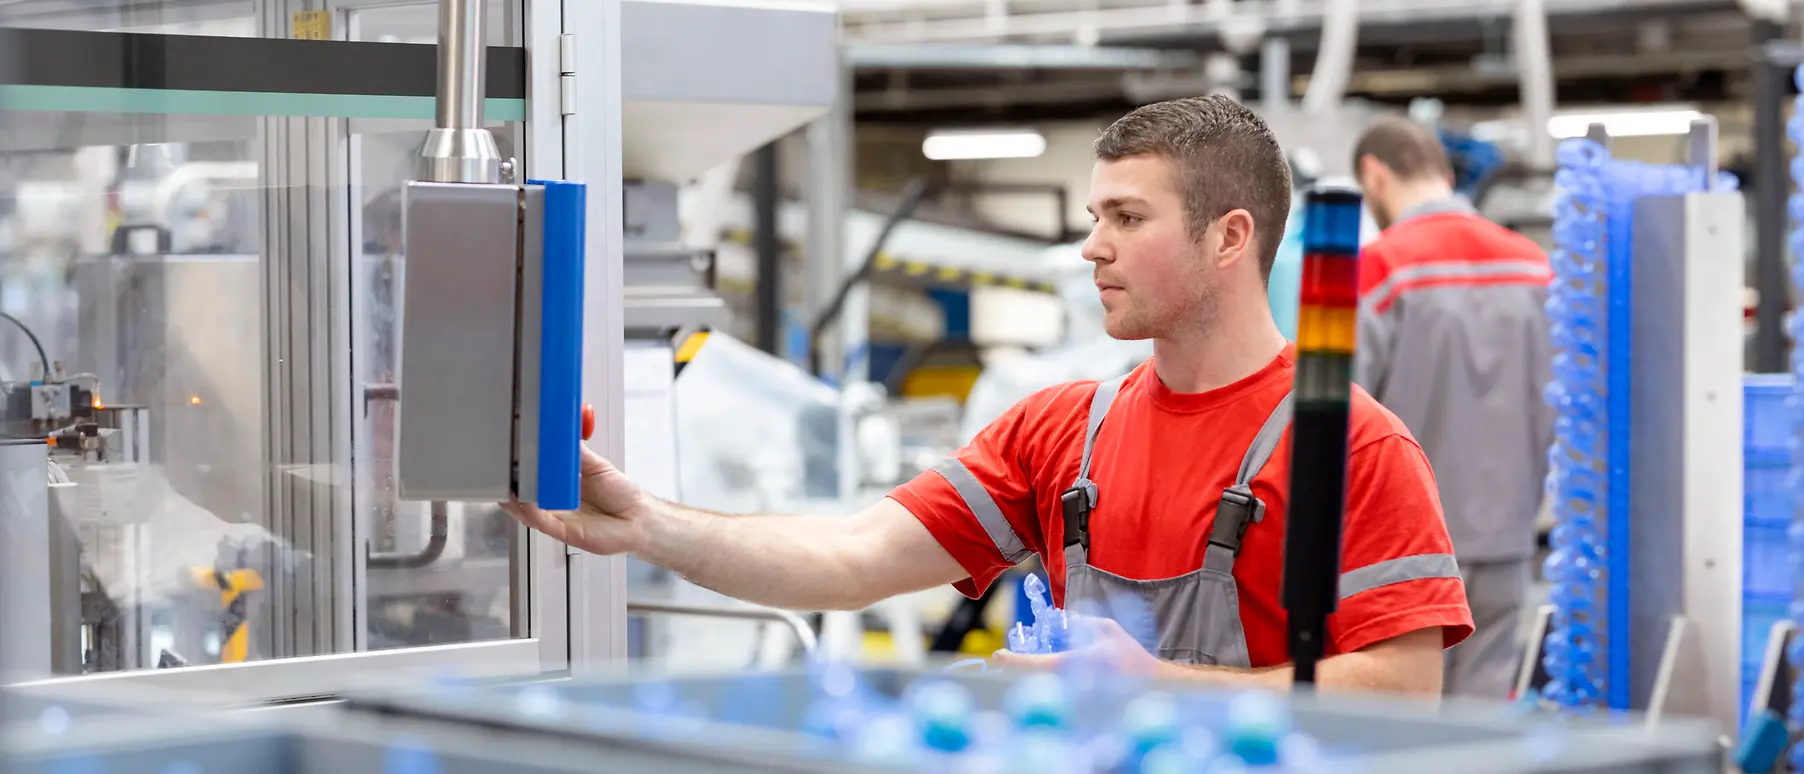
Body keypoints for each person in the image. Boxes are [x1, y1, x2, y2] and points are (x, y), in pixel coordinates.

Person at [507, 96, 1474, 696]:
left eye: (1127, 218)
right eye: (1096, 215)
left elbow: (1401, 690)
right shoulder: (1063, 432)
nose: (1092, 245)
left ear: (1229, 238)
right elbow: (851, 557)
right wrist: (647, 527)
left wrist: (1154, 689)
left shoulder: (1355, 448)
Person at [1350, 116, 1553, 699]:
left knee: (1403, 725)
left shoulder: (1377, 268)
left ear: (1374, 176)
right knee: (1482, 723)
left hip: (1402, 554)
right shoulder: (1535, 264)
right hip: (1510, 540)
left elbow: (1333, 416)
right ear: (1444, 173)